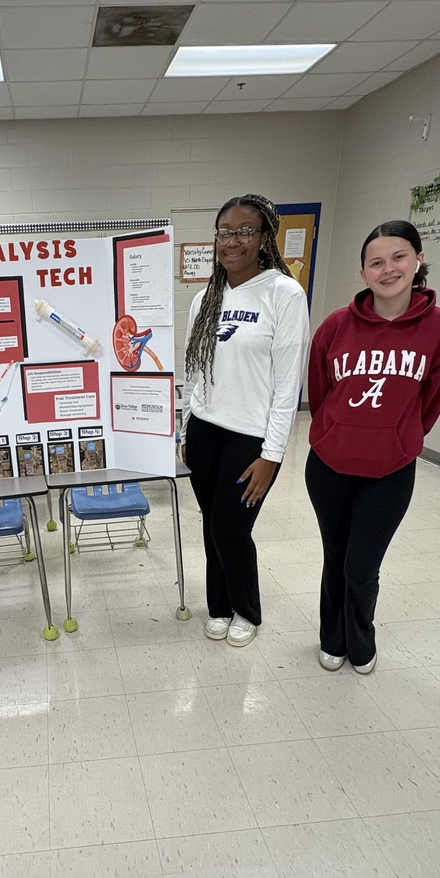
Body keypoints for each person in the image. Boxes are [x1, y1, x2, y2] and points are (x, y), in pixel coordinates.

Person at [305, 220, 440, 674]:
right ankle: (331, 638)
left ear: (418, 259)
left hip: (390, 472)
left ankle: (360, 638)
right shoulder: (336, 326)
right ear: (363, 273)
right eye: (376, 262)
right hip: (329, 466)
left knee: (361, 566)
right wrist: (336, 432)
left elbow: (433, 397)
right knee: (336, 558)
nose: (387, 269)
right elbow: (320, 392)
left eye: (398, 257)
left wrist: (400, 435)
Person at [180, 194, 311, 646]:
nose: (232, 241)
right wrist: (185, 430)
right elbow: (194, 371)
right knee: (210, 523)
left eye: (244, 231)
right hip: (205, 430)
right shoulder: (205, 298)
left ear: (264, 237)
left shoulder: (284, 294)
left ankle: (247, 611)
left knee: (231, 527)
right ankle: (218, 606)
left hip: (250, 438)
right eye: (224, 232)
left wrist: (272, 455)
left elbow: (287, 385)